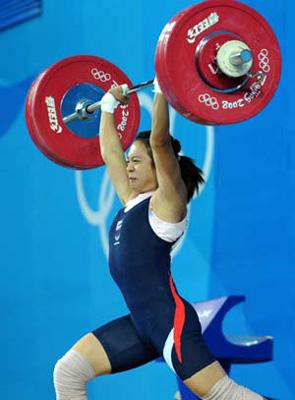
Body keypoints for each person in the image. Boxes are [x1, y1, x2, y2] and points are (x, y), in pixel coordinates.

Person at [53, 79, 265, 400]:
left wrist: (163, 91)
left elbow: (160, 142)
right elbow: (110, 153)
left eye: (137, 161)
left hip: (171, 325)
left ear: (159, 169)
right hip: (140, 326)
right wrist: (108, 106)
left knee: (223, 395)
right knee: (68, 371)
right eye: (130, 162)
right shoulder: (131, 202)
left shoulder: (168, 204)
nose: (129, 167)